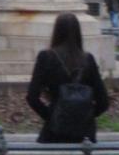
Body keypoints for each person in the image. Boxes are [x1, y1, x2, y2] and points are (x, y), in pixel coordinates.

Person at [27, 12, 109, 143]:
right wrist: (85, 116)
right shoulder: (88, 60)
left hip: (54, 132)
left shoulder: (46, 58)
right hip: (84, 136)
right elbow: (103, 101)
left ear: (56, 32)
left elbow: (32, 97)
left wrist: (51, 116)